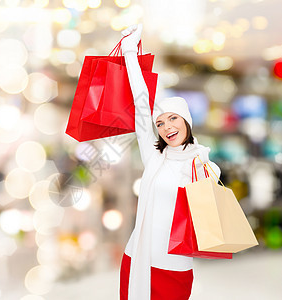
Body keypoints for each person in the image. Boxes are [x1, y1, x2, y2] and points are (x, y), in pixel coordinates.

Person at [119, 24, 221, 300]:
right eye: (160, 122)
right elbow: (142, 109)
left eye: (173, 118)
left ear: (186, 120)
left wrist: (201, 163)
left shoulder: (204, 164)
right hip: (137, 258)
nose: (166, 127)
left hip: (174, 267)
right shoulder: (154, 158)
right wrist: (129, 50)